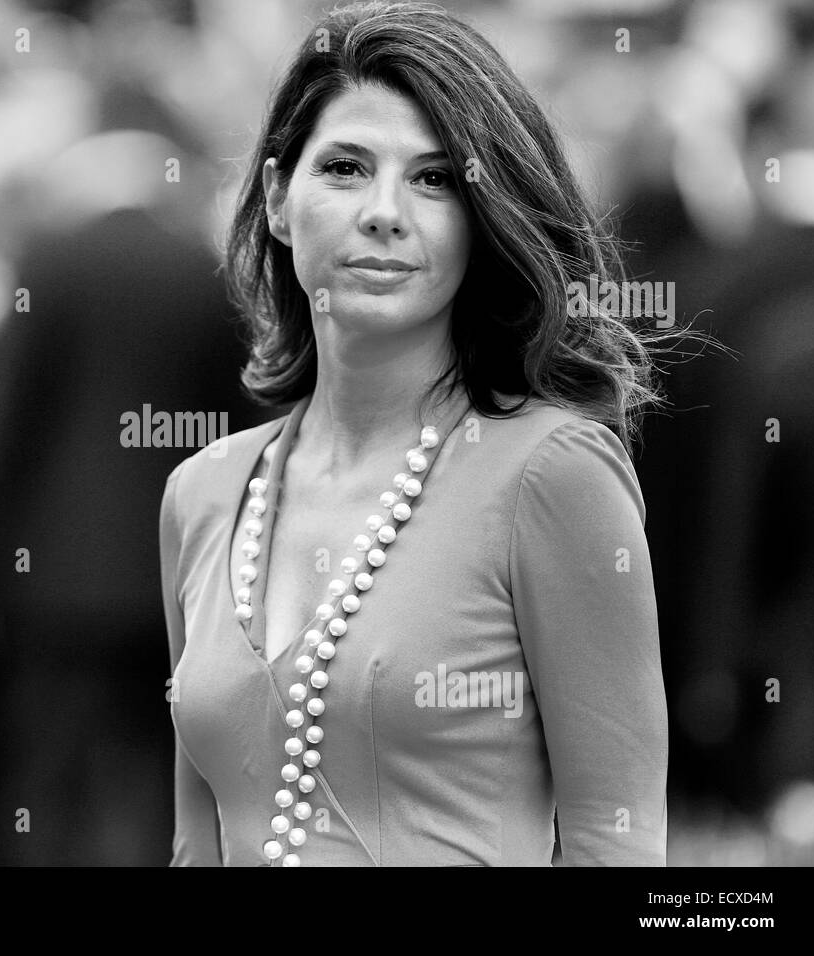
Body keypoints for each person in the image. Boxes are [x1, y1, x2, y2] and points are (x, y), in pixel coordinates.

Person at [159, 1, 675, 866]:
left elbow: (614, 843)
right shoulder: (202, 492)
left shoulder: (551, 472)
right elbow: (193, 844)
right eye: (347, 167)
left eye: (436, 179)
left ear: (483, 219)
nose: (386, 212)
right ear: (279, 199)